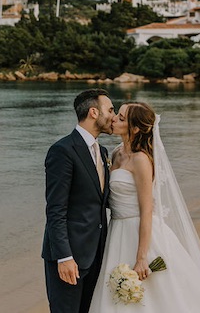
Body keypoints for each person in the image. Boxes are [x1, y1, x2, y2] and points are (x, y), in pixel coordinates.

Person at [89, 101, 200, 312]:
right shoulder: (116, 153)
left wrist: (141, 258)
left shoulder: (141, 160)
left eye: (120, 118)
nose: (113, 119)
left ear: (136, 128)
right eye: (116, 115)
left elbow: (147, 209)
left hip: (140, 231)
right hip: (117, 230)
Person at [43, 89, 115, 313]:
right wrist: (64, 257)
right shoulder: (62, 150)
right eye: (110, 110)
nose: (113, 116)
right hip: (70, 256)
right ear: (94, 112)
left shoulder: (102, 151)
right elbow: (55, 209)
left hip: (97, 253)